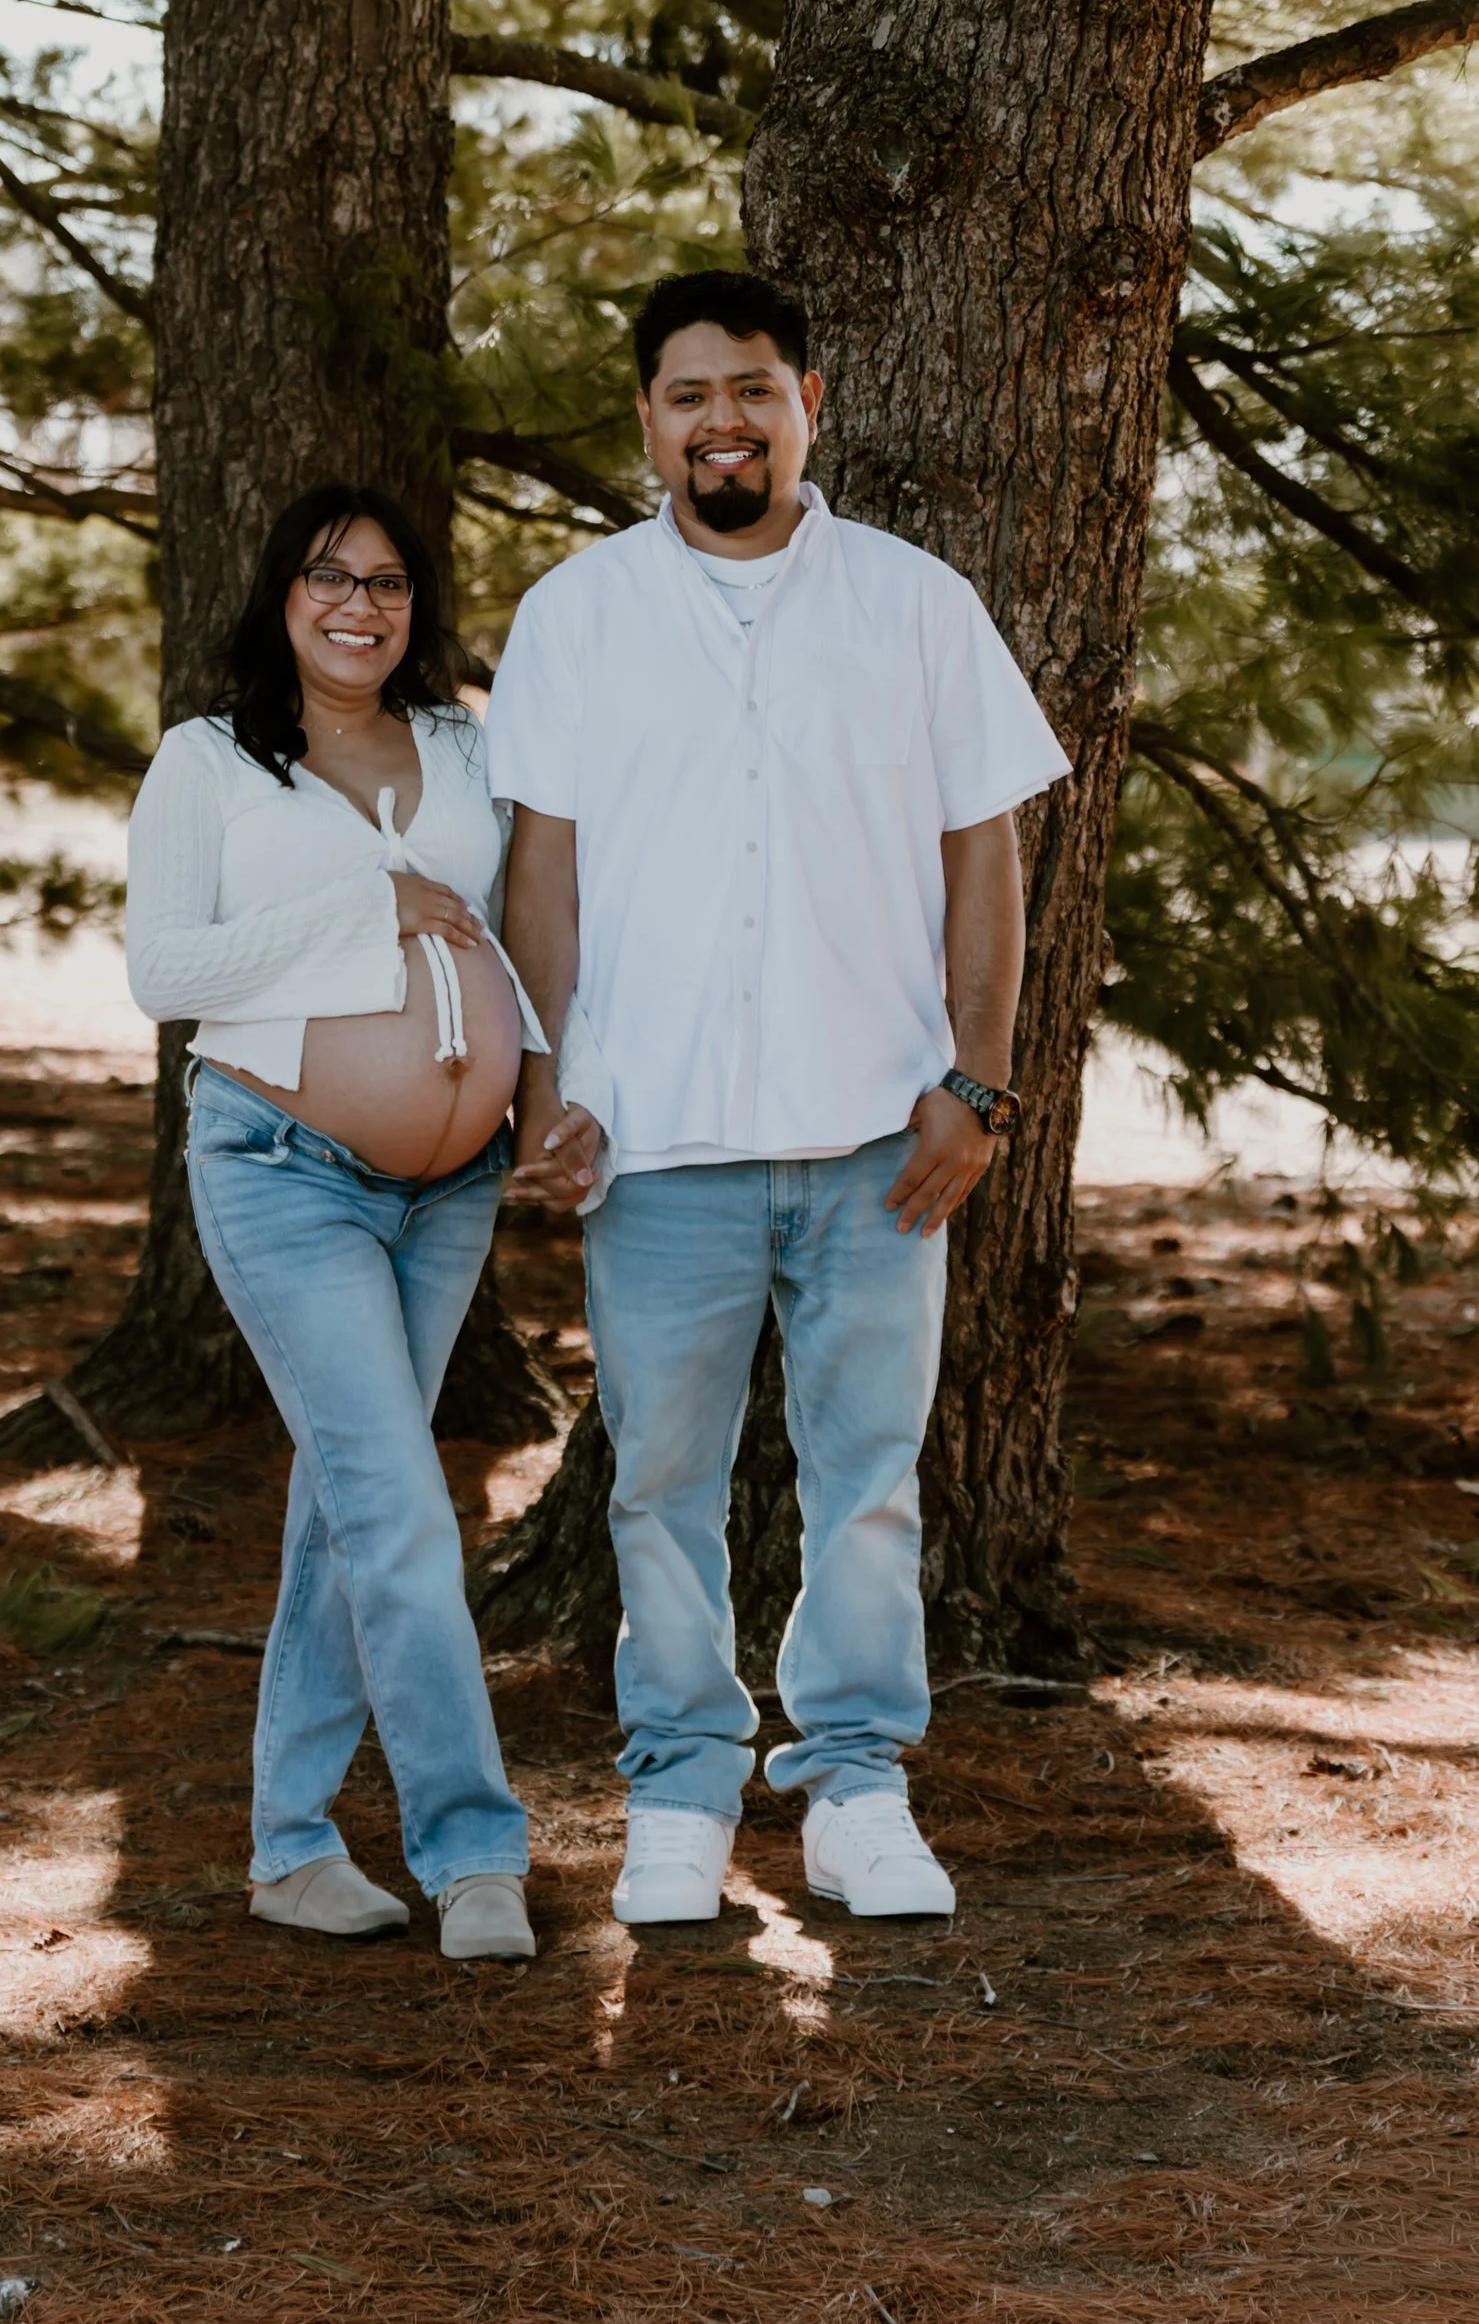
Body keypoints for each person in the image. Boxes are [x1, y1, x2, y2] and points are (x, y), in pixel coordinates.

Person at [488, 273, 1069, 1927]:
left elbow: (987, 858)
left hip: (881, 1133)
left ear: (811, 397)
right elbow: (547, 867)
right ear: (650, 419)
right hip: (653, 1134)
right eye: (688, 393)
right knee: (659, 1481)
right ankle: (679, 1790)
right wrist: (554, 1077)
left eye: (752, 387)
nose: (721, 420)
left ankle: (858, 1783)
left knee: (867, 1478)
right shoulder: (579, 613)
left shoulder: (915, 603)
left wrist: (976, 1078)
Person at [125, 483, 548, 1964]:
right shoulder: (211, 758)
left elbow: (526, 926)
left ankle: (291, 1845)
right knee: (396, 1503)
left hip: (454, 1187)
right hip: (281, 1162)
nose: (358, 604)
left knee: (347, 1506)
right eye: (327, 577)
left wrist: (545, 1082)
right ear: (281, 594)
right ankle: (475, 1847)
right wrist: (379, 907)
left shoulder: (464, 749)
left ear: (418, 606)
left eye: (387, 581)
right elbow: (164, 967)